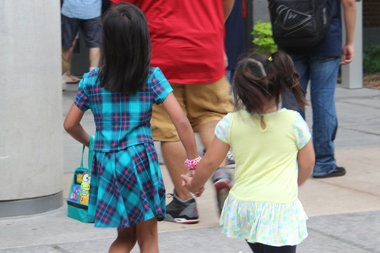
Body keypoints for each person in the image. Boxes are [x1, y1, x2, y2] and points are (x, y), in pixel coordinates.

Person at [64, 4, 199, 252]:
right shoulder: (151, 77)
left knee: (125, 238)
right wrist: (193, 161)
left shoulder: (91, 80)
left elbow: (70, 124)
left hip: (106, 164)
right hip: (138, 162)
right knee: (148, 238)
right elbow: (181, 121)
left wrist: (91, 142)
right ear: (141, 40)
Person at [111, 0, 235, 222]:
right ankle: (220, 172)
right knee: (212, 116)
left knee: (170, 128)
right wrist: (211, 26)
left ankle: (185, 202)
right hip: (207, 46)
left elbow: (123, 12)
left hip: (160, 51)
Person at [182, 51, 316, 253]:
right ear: (278, 86)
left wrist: (194, 184)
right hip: (279, 208)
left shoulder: (231, 123)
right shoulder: (294, 122)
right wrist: (294, 184)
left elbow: (209, 163)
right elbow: (308, 163)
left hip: (245, 206)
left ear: (241, 91)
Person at [279, 0, 356, 178]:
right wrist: (350, 42)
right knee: (323, 101)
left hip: (289, 38)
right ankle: (324, 162)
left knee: (291, 102)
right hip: (326, 39)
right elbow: (350, 3)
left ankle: (295, 161)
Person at [61, 0, 102, 85]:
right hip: (92, 10)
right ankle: (93, 79)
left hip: (70, 8)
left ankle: (63, 76)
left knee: (67, 43)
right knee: (94, 44)